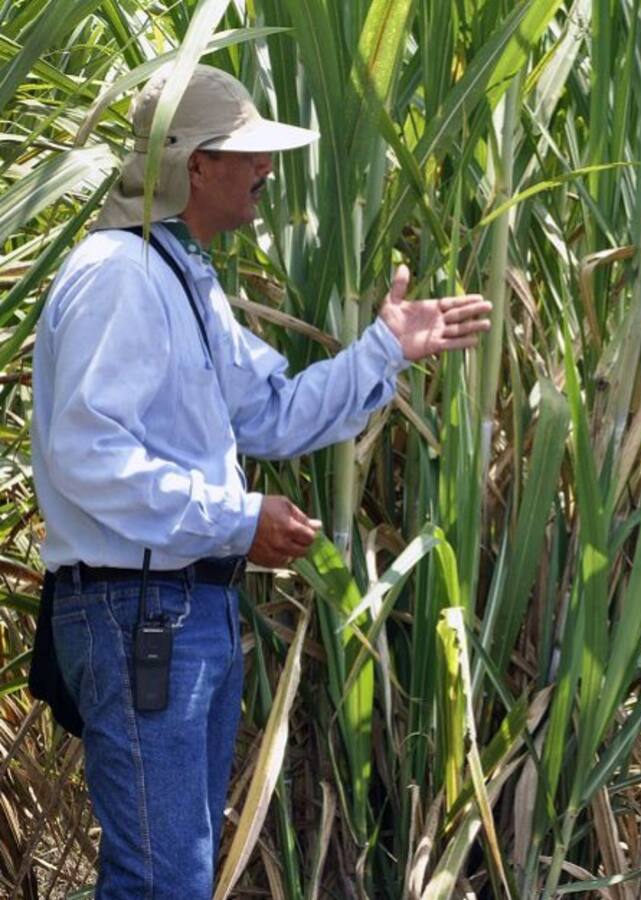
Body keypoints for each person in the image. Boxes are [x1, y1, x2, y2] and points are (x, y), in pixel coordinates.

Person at [30, 64, 491, 898]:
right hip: (140, 612)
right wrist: (237, 520)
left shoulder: (181, 277)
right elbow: (89, 456)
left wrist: (386, 349)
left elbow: (272, 412)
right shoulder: (120, 275)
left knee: (173, 873)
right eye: (246, 153)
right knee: (161, 879)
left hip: (176, 611)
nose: (265, 169)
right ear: (194, 165)